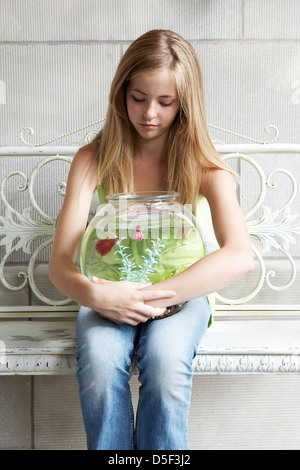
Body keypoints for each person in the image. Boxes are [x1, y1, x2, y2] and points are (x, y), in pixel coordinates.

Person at [48, 29, 253, 450]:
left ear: (186, 103)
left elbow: (239, 256)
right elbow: (60, 262)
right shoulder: (94, 159)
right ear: (121, 92)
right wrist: (95, 294)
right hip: (107, 292)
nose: (149, 114)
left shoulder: (202, 165)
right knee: (101, 363)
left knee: (164, 363)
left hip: (181, 294)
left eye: (166, 102)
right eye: (138, 97)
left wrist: (154, 296)